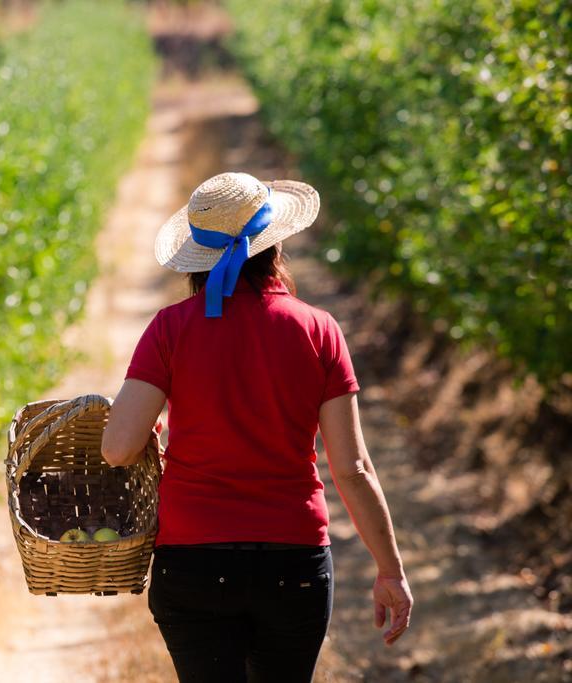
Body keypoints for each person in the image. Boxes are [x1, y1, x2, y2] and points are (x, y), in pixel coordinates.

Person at [100, 172, 413, 682]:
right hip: (293, 562)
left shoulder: (170, 328)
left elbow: (117, 448)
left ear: (197, 256)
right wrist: (391, 571)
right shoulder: (318, 329)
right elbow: (351, 469)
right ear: (275, 244)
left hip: (193, 560)